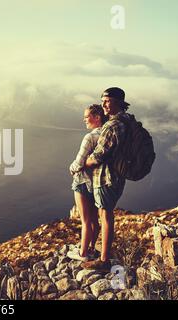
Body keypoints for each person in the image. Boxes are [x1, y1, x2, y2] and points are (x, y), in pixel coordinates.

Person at [81, 87, 131, 271]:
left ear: (119, 101)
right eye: (102, 101)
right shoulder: (126, 120)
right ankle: (103, 255)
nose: (104, 105)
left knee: (106, 215)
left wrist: (85, 162)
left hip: (107, 177)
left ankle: (104, 260)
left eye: (107, 101)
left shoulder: (113, 126)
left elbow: (99, 156)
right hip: (118, 176)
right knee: (106, 214)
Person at [67, 104, 107, 262]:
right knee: (94, 220)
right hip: (97, 181)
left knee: (85, 220)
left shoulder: (90, 137)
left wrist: (71, 168)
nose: (84, 120)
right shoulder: (106, 135)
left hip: (83, 181)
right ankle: (91, 248)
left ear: (97, 117)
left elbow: (79, 162)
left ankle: (83, 253)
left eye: (87, 117)